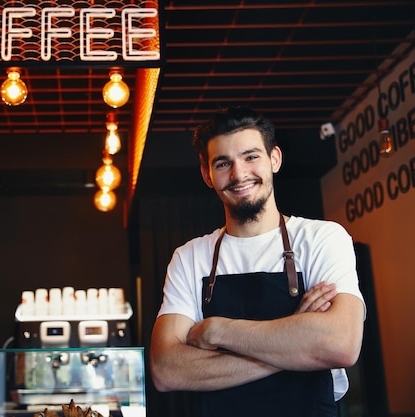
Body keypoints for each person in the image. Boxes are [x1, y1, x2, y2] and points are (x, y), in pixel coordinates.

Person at [149, 106, 366, 416]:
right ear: (206, 174)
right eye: (223, 163)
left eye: (251, 156)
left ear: (274, 159)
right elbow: (165, 370)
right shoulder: (190, 257)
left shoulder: (322, 239)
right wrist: (296, 342)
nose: (239, 175)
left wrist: (217, 332)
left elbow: (341, 344)